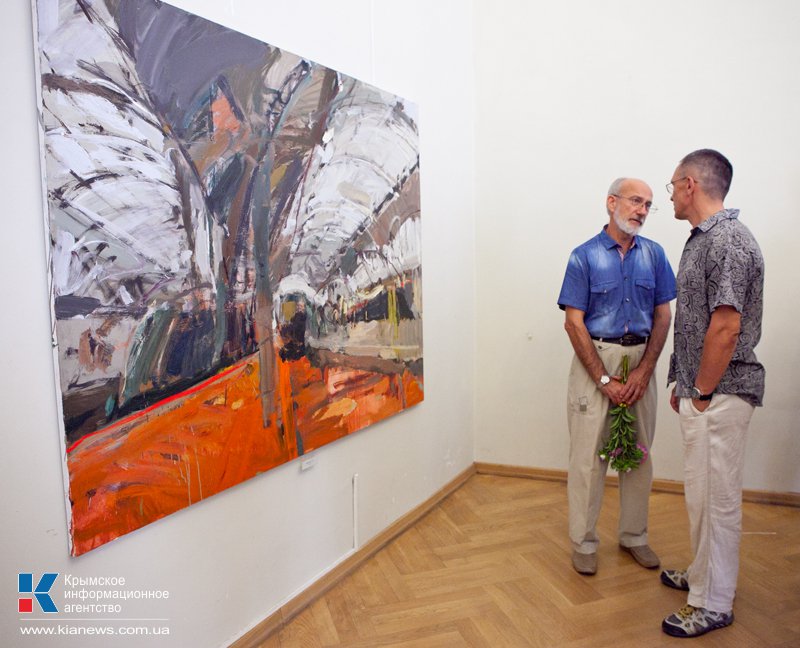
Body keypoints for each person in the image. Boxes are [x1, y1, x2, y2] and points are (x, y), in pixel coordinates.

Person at [661, 149, 765, 638]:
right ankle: (703, 575)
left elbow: (725, 327)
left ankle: (713, 602)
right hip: (704, 389)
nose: (670, 197)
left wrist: (700, 390)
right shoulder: (705, 239)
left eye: (672, 187)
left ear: (690, 185)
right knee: (701, 494)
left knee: (716, 498)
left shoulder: (727, 241)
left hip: (720, 391)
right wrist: (683, 382)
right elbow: (696, 319)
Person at [558, 178, 676, 576]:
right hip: (596, 358)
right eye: (636, 201)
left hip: (642, 359)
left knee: (638, 455)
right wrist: (604, 380)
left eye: (648, 204)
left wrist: (644, 370)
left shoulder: (655, 255)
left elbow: (663, 315)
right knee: (588, 458)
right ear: (611, 202)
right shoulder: (584, 257)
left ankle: (634, 537)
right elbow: (574, 323)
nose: (642, 210)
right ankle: (583, 542)